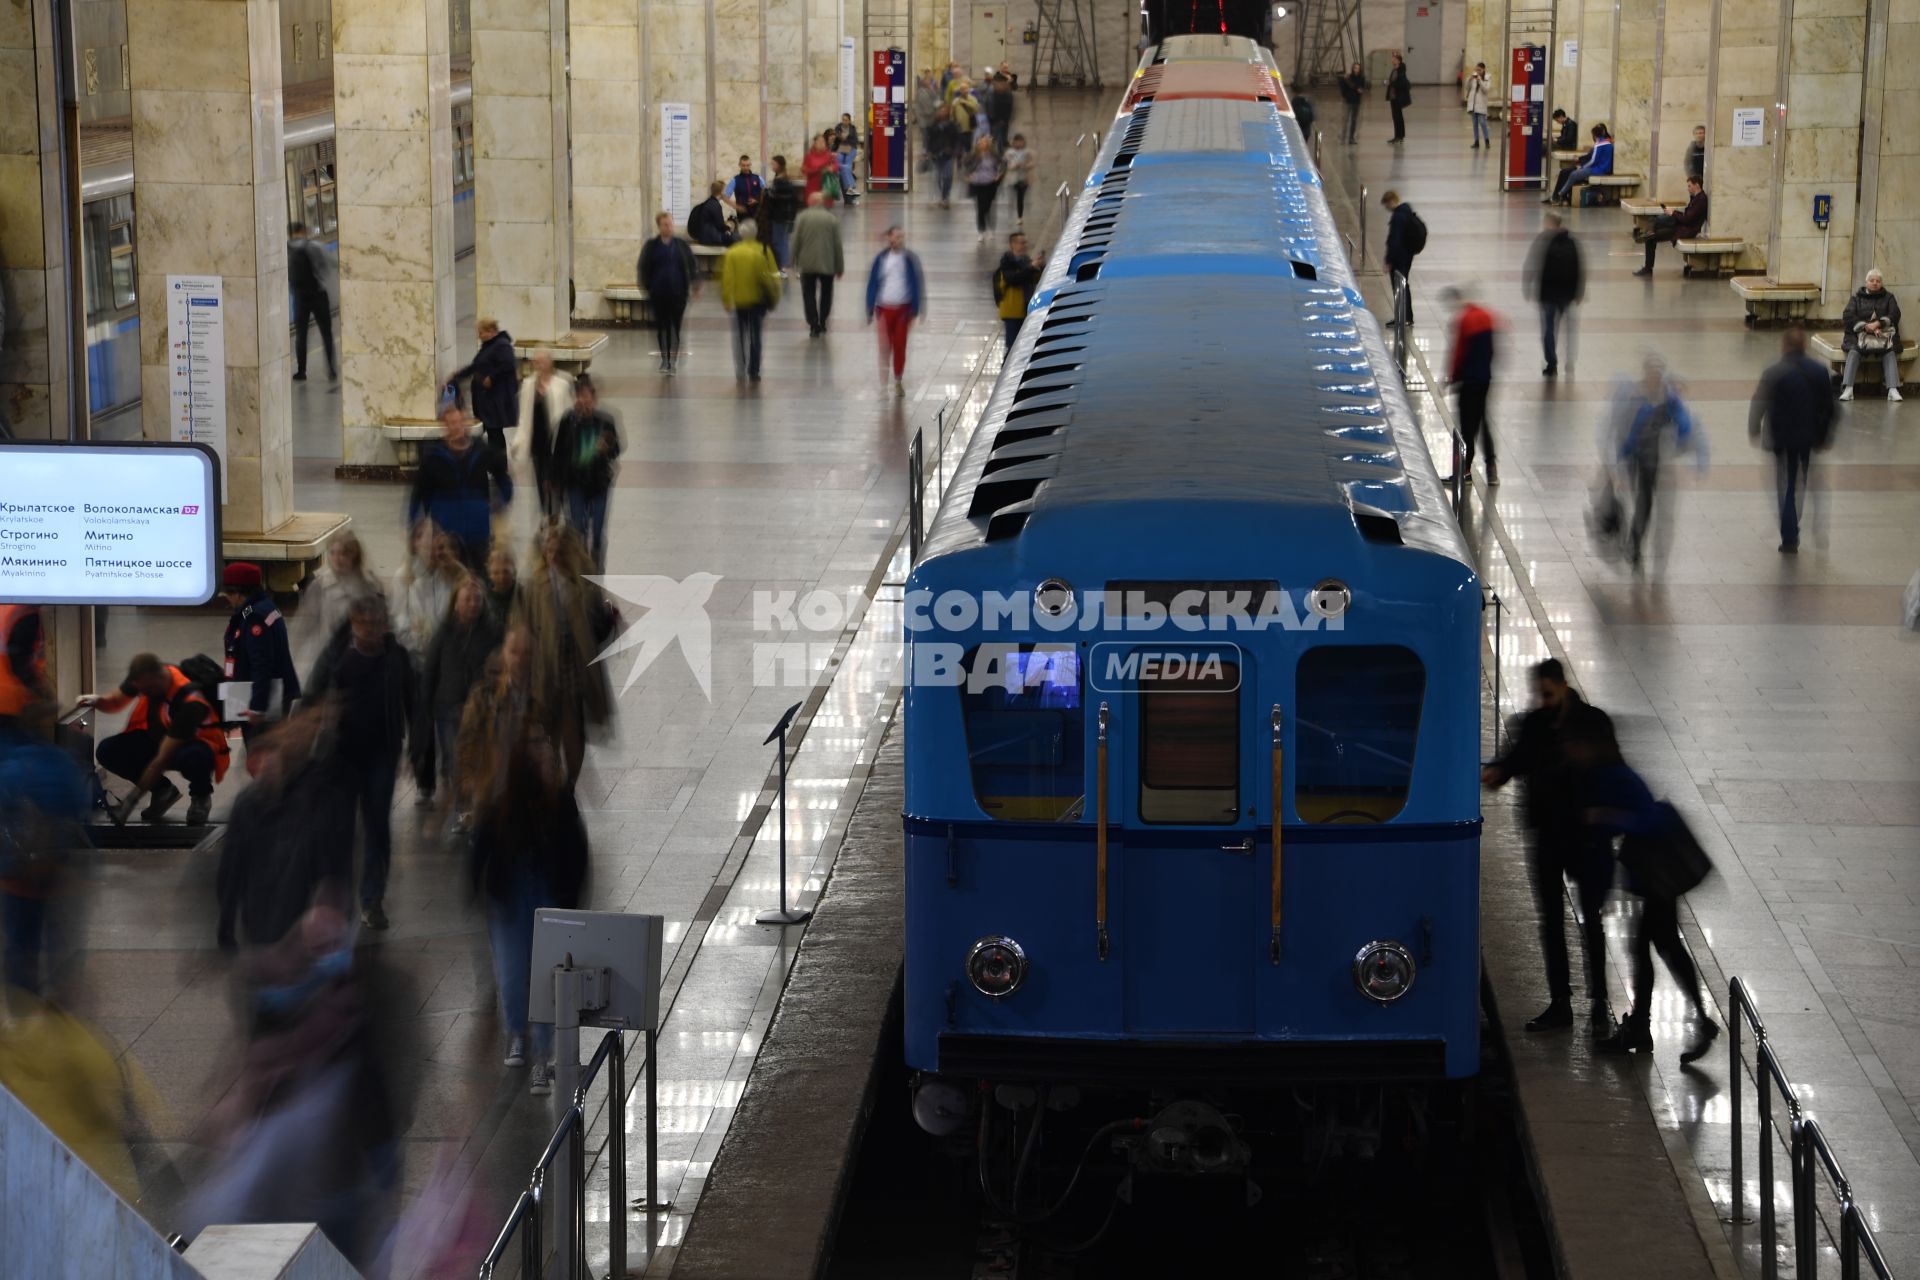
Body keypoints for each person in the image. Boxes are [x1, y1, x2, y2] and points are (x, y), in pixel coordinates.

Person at [459, 627, 589, 1092]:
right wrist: (481, 885)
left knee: (548, 971)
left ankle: (544, 1052)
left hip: (545, 886)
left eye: (543, 746)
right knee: (513, 972)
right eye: (534, 748)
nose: (542, 753)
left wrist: (572, 895)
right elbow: (484, 847)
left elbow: (574, 848)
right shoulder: (502, 798)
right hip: (511, 889)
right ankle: (519, 1034)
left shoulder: (557, 795)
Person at [1567, 720, 1719, 1062]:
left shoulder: (1616, 775)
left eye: (1578, 745)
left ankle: (1647, 1026)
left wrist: (1606, 816)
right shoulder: (1604, 773)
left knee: (1651, 948)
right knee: (1660, 947)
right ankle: (1659, 1023)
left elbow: (1649, 818)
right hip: (1652, 877)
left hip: (1657, 877)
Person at [1481, 660, 1616, 1034]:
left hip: (1586, 835)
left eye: (1548, 694)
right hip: (1546, 834)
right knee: (1551, 921)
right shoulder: (1535, 723)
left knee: (1592, 919)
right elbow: (1515, 759)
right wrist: (1498, 772)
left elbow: (1610, 769)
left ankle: (1599, 1002)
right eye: (1539, 694)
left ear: (1561, 685)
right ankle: (1560, 1003)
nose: (1543, 701)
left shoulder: (1592, 722)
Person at [303, 594, 413, 931]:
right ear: (353, 624)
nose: (370, 631)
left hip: (382, 753)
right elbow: (313, 694)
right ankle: (337, 901)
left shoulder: (396, 657)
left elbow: (412, 701)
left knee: (377, 826)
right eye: (363, 624)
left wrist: (416, 749)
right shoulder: (338, 657)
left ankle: (372, 899)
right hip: (343, 756)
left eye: (376, 624)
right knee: (340, 829)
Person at [216, 711, 354, 952]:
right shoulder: (322, 796)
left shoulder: (317, 800)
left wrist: (226, 921)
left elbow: (231, 867)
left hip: (284, 924)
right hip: (287, 926)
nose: (261, 768)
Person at [514, 525, 616, 783]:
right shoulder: (533, 586)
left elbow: (597, 627)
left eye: (560, 551)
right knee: (547, 728)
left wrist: (608, 619)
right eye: (549, 551)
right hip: (544, 668)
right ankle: (553, 778)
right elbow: (521, 626)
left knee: (574, 733)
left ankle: (569, 782)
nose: (554, 556)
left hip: (575, 667)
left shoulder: (583, 584)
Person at [84, 653, 231, 828]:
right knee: (108, 750)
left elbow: (160, 760)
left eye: (146, 691)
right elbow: (116, 701)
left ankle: (201, 796)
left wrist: (130, 802)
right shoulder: (145, 679)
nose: (144, 694)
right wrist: (97, 701)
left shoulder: (190, 701)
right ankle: (163, 791)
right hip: (161, 736)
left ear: (159, 679)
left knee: (194, 758)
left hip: (194, 745)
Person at [418, 575, 500, 833]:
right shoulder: (444, 632)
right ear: (456, 603)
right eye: (467, 599)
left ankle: (479, 805)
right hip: (448, 706)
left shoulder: (493, 631)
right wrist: (425, 704)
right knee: (455, 758)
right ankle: (464, 809)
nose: (473, 604)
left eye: (477, 599)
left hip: (480, 707)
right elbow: (430, 670)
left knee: (480, 756)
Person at [1749, 326, 1838, 553]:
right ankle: (1795, 516)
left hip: (1781, 437)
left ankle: (1789, 535)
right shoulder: (1819, 371)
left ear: (1784, 346)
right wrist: (1825, 436)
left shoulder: (1774, 372)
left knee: (1785, 483)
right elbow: (1830, 408)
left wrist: (1754, 428)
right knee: (1801, 479)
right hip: (1808, 438)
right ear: (1804, 346)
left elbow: (1759, 401)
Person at [1614, 355, 1705, 571]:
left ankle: (1657, 553)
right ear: (1646, 373)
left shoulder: (1670, 400)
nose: (1655, 377)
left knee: (1663, 512)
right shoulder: (1637, 398)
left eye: (1658, 373)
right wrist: (1621, 459)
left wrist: (1686, 449)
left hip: (1662, 464)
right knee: (1644, 506)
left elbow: (1686, 426)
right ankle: (1635, 546)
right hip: (1643, 463)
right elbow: (1630, 432)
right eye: (1652, 372)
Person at [408, 404, 512, 574]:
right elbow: (418, 494)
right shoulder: (433, 457)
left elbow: (504, 479)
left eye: (458, 422)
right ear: (445, 427)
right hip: (447, 538)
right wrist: (414, 526)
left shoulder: (482, 451)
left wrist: (500, 502)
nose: (455, 427)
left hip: (478, 535)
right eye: (451, 423)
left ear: (464, 422)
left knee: (479, 581)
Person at [220, 561, 300, 738]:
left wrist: (257, 706)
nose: (228, 598)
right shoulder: (263, 607)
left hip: (264, 699)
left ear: (238, 593)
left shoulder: (254, 617)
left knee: (264, 756)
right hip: (270, 693)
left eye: (228, 593)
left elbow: (261, 663)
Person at [549, 374, 622, 567]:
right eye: (580, 396)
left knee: (597, 531)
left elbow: (616, 450)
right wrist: (555, 483)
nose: (584, 401)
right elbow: (558, 454)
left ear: (594, 398)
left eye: (587, 396)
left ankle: (597, 571)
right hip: (575, 484)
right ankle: (580, 572)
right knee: (577, 530)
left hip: (599, 484)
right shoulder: (568, 421)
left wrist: (608, 448)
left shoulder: (605, 421)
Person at [1441, 287, 1500, 487]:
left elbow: (1459, 353)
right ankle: (1491, 467)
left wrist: (1452, 378)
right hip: (1485, 379)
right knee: (1483, 422)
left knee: (1467, 425)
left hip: (1468, 380)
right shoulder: (1487, 317)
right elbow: (1492, 350)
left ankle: (1464, 471)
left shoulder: (1465, 321)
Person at [301, 532, 384, 674]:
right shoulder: (320, 586)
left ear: (354, 555)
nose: (337, 559)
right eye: (332, 553)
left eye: (343, 554)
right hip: (330, 659)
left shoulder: (369, 584)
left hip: (363, 657)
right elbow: (305, 626)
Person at [719, 219, 781, 384]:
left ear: (740, 234)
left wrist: (726, 299)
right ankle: (754, 370)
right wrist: (774, 298)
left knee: (739, 337)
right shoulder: (764, 251)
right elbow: (773, 277)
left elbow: (727, 279)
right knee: (756, 335)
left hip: (739, 302)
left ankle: (740, 368)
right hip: (758, 302)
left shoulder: (732, 252)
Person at [389, 522, 461, 663]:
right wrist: (422, 644)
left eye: (435, 538)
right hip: (413, 658)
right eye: (423, 538)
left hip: (447, 657)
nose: (430, 545)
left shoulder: (452, 576)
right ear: (415, 543)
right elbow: (398, 623)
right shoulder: (403, 576)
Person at [866, 225, 925, 396]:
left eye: (902, 237)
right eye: (896, 236)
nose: (899, 240)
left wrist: (917, 308)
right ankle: (883, 382)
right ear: (889, 238)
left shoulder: (909, 259)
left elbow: (916, 283)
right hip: (884, 309)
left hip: (903, 310)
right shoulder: (881, 259)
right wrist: (870, 306)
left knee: (900, 345)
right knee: (885, 347)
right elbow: (873, 283)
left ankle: (898, 379)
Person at [512, 348, 573, 515]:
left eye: (542, 360)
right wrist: (519, 440)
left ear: (550, 362)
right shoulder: (528, 385)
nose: (539, 364)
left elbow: (568, 414)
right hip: (537, 443)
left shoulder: (561, 385)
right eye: (536, 361)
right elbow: (524, 416)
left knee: (556, 480)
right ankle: (546, 512)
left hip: (556, 443)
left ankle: (556, 511)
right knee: (541, 479)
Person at [448, 318, 519, 460]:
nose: (479, 336)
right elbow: (476, 367)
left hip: (494, 401)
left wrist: (491, 378)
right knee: (490, 433)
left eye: (481, 332)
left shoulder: (501, 345)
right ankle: (492, 464)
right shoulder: (489, 346)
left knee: (494, 434)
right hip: (486, 401)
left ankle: (498, 465)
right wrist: (457, 376)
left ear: (491, 331)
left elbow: (508, 365)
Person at [1524, 210, 1583, 378]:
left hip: (1548, 294)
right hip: (1568, 294)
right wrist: (1579, 291)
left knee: (1549, 329)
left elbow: (1532, 263)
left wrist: (1527, 285)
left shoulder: (1543, 240)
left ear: (1549, 223)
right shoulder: (1572, 241)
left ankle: (1552, 363)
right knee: (1570, 329)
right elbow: (1579, 266)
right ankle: (1570, 360)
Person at [638, 212, 698, 376]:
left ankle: (674, 361)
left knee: (675, 328)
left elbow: (692, 264)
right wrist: (647, 288)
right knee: (662, 327)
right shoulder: (651, 246)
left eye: (670, 224)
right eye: (665, 224)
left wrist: (695, 283)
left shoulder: (680, 245)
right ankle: (665, 359)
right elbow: (643, 268)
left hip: (678, 294)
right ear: (659, 226)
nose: (669, 227)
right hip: (658, 294)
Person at [1838, 268, 1902, 402]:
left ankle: (1893, 389)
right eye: (1872, 280)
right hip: (1858, 336)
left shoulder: (1889, 297)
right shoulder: (1856, 298)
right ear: (1866, 283)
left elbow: (1895, 314)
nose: (1875, 283)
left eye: (1878, 281)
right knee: (1854, 351)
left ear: (1881, 284)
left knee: (1889, 352)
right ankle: (1848, 389)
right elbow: (1848, 316)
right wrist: (1866, 326)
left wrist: (1879, 323)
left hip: (1883, 336)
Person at [791, 191, 845, 339]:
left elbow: (796, 241)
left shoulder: (802, 218)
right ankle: (823, 320)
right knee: (826, 293)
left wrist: (793, 259)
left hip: (807, 263)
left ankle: (813, 323)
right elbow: (837, 245)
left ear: (810, 202)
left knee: (808, 293)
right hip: (827, 263)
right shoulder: (831, 219)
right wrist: (840, 267)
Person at [287, 222, 336, 384]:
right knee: (326, 333)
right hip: (318, 294)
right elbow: (329, 264)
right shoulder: (314, 246)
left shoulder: (286, 250)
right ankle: (331, 369)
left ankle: (301, 371)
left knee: (301, 335)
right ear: (303, 231)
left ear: (290, 233)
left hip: (299, 298)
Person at [1634, 174, 1708, 276]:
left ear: (1697, 185)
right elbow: (1687, 216)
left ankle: (1648, 267)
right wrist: (1673, 212)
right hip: (1681, 226)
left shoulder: (1701, 200)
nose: (1688, 189)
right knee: (1653, 220)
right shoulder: (1696, 198)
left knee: (1651, 238)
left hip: (1685, 230)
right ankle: (1649, 232)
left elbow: (1687, 219)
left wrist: (1673, 213)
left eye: (1689, 186)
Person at [995, 232, 1046, 349]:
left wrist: (1040, 266)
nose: (1025, 245)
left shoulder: (1025, 260)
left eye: (1025, 242)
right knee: (1013, 348)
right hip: (1012, 311)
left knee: (1024, 347)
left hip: (1024, 310)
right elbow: (1013, 279)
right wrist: (1031, 268)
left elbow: (1035, 279)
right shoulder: (1006, 263)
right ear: (1013, 244)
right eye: (1022, 243)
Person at [1381, 190, 1424, 325]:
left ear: (1391, 201)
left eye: (1387, 205)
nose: (1387, 208)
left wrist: (1389, 260)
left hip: (1399, 258)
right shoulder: (1406, 211)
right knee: (1404, 284)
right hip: (1407, 255)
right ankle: (1406, 316)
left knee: (1399, 286)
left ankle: (1403, 317)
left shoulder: (1398, 217)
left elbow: (1394, 241)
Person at [1549, 123, 1613, 205]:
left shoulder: (1599, 144)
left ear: (1594, 135)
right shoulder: (1608, 143)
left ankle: (1560, 194)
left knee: (1573, 174)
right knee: (1569, 173)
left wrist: (1582, 167)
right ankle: (1560, 195)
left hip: (1597, 169)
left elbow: (1593, 160)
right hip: (1603, 168)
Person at [765, 154, 801, 272]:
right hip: (781, 214)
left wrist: (771, 195)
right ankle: (785, 264)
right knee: (783, 240)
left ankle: (782, 265)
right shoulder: (779, 178)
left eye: (774, 164)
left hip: (780, 215)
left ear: (779, 165)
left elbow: (789, 197)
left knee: (778, 241)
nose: (772, 166)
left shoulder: (782, 181)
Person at [965, 136, 1004, 239]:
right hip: (977, 183)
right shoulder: (974, 155)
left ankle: (991, 228)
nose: (983, 144)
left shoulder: (994, 155)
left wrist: (999, 175)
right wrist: (968, 175)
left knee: (988, 207)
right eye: (981, 142)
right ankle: (981, 231)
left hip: (990, 183)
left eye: (985, 142)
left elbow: (1003, 164)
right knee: (980, 208)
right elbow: (965, 164)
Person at [925, 105, 962, 208]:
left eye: (945, 111)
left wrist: (956, 150)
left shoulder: (953, 125)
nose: (943, 113)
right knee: (936, 177)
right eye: (941, 110)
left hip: (948, 154)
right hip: (935, 154)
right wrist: (928, 151)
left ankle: (945, 196)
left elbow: (957, 139)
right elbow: (928, 139)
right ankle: (941, 196)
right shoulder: (933, 125)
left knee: (947, 176)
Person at [721, 154, 764, 228]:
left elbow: (765, 193)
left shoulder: (758, 178)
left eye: (747, 165)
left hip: (757, 214)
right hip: (743, 215)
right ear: (739, 165)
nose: (746, 167)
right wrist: (736, 206)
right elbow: (724, 197)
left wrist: (757, 200)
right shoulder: (735, 180)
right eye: (743, 165)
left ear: (750, 165)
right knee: (745, 237)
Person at [688, 180, 734, 247]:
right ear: (721, 192)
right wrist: (728, 229)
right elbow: (720, 225)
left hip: (704, 236)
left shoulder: (708, 202)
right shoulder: (715, 205)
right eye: (725, 190)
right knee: (735, 238)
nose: (726, 192)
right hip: (710, 238)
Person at [483, 546, 519, 630]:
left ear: (514, 572)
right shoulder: (484, 599)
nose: (502, 577)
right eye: (496, 573)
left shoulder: (525, 596)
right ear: (489, 574)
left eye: (506, 571)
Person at [1003, 133, 1035, 226]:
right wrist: (1014, 166)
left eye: (1020, 141)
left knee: (1020, 198)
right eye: (1017, 142)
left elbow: (1032, 163)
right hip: (1013, 178)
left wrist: (1026, 165)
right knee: (1012, 197)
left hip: (1024, 178)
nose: (1019, 144)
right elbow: (1007, 164)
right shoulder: (1009, 152)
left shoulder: (1027, 152)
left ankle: (1019, 216)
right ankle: (1012, 214)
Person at [802, 132, 839, 207]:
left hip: (826, 187)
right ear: (814, 143)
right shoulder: (809, 156)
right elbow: (804, 169)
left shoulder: (829, 155)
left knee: (826, 211)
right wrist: (818, 169)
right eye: (819, 141)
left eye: (823, 141)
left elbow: (836, 166)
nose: (821, 143)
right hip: (812, 188)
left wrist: (832, 168)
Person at [833, 114, 862, 203]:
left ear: (849, 120)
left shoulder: (852, 128)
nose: (844, 121)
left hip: (851, 148)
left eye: (846, 120)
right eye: (843, 120)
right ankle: (851, 188)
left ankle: (849, 191)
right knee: (842, 167)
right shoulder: (838, 127)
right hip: (842, 148)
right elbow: (837, 138)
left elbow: (855, 141)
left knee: (847, 166)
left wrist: (845, 139)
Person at [1385, 52, 1411, 144]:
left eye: (1394, 58)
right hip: (1393, 97)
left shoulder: (1400, 71)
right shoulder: (1395, 69)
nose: (1392, 60)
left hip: (1397, 97)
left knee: (1397, 117)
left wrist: (1390, 83)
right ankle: (1399, 136)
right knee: (1397, 117)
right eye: (1392, 58)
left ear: (1398, 61)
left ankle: (1398, 136)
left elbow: (1401, 84)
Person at [1338, 62, 1366, 144]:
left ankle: (1351, 138)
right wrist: (1344, 95)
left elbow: (1361, 89)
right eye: (1355, 68)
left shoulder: (1361, 78)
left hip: (1356, 102)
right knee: (1345, 120)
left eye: (1357, 68)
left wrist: (1358, 89)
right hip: (1348, 101)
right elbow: (1343, 87)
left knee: (1354, 120)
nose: (1356, 69)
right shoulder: (1348, 77)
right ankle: (1343, 138)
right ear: (1352, 69)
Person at [1465, 62, 1491, 149]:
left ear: (1484, 69)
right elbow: (1467, 88)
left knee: (1483, 123)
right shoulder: (1474, 77)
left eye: (1479, 70)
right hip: (1472, 104)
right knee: (1474, 124)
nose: (1478, 71)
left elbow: (1486, 90)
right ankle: (1476, 142)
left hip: (1481, 104)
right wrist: (1469, 79)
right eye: (1476, 70)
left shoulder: (1487, 77)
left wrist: (1480, 80)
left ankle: (1487, 141)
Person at [987, 73, 1015, 150]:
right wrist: (992, 118)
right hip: (995, 119)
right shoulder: (994, 93)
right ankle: (998, 145)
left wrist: (1005, 119)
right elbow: (990, 105)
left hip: (1003, 119)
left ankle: (1002, 145)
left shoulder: (1007, 94)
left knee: (1002, 133)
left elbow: (1009, 108)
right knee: (996, 134)